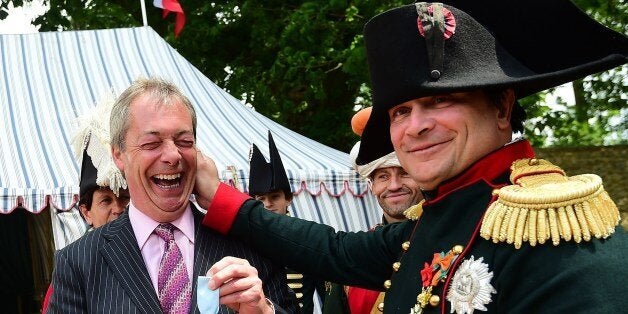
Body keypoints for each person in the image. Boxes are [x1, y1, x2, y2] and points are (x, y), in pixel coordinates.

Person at [195, 1, 627, 313]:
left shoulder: (555, 228)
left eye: (441, 101)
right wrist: (218, 196)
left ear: (501, 107)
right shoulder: (443, 214)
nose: (414, 126)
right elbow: (335, 250)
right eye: (401, 111)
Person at [48, 78, 298, 314]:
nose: (173, 155)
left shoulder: (249, 243)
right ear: (118, 155)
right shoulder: (78, 263)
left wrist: (264, 310)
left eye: (184, 141)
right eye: (152, 143)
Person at [324, 108, 423, 314]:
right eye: (383, 177)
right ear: (371, 186)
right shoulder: (354, 254)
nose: (394, 185)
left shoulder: (449, 241)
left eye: (404, 173)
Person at [41, 94, 130, 314]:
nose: (118, 209)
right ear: (86, 212)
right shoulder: (73, 269)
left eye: (125, 198)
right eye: (106, 200)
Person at [248, 131, 327, 313]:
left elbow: (326, 295)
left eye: (275, 197)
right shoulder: (247, 240)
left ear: (289, 198)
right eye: (261, 199)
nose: (268, 204)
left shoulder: (307, 237)